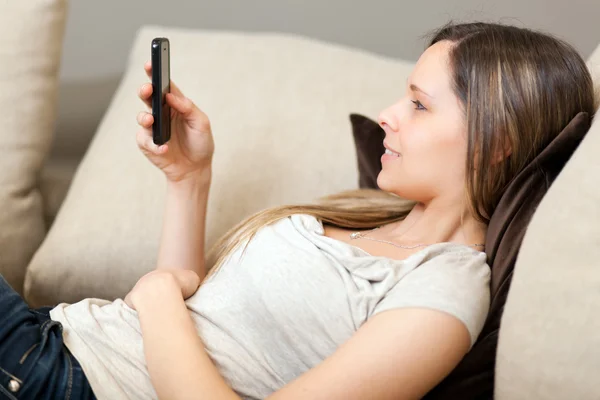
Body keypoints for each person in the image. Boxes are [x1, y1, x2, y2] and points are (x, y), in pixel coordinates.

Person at [0, 21, 596, 400]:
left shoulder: (443, 295)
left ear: (497, 141)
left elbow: (168, 318)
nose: (387, 113)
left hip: (66, 380)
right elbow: (206, 319)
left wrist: (156, 299)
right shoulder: (369, 213)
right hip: (54, 339)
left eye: (418, 104)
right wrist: (189, 180)